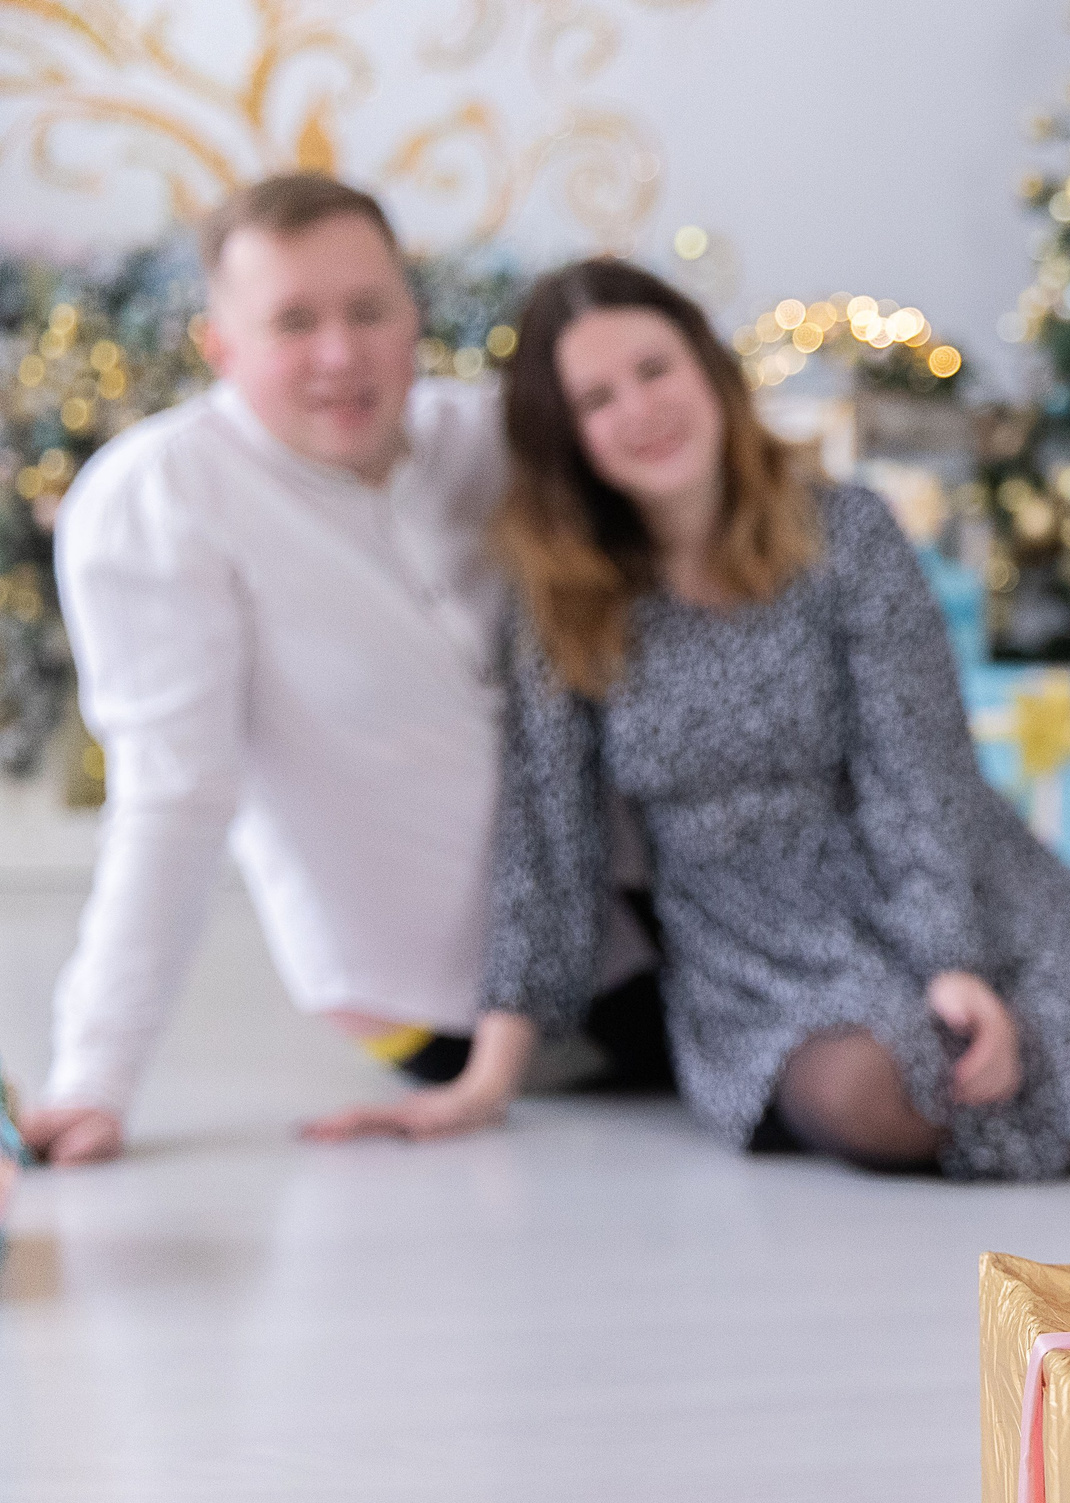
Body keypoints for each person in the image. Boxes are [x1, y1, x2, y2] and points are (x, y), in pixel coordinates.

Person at [311, 259, 1070, 1174]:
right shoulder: (566, 602)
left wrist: (952, 960)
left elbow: (918, 768)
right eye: (597, 400)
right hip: (756, 946)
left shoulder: (847, 531)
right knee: (878, 1095)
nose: (639, 410)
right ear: (568, 438)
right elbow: (548, 846)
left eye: (654, 370)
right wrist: (486, 1080)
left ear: (708, 371)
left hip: (936, 874)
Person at [19, 173, 667, 1167]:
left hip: (642, 911)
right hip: (434, 999)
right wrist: (93, 1080)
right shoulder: (163, 501)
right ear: (218, 346)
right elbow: (174, 798)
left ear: (414, 313)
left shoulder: (491, 440)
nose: (340, 354)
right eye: (293, 321)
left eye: (369, 310)